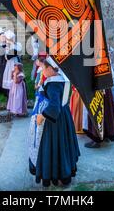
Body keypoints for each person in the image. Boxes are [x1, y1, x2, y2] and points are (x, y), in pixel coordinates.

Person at [29, 58, 80, 187]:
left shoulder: (53, 85)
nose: (42, 71)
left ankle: (56, 174)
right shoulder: (62, 79)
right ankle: (63, 172)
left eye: (44, 68)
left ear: (51, 68)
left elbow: (54, 107)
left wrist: (42, 115)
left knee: (54, 146)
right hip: (64, 117)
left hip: (54, 122)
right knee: (63, 145)